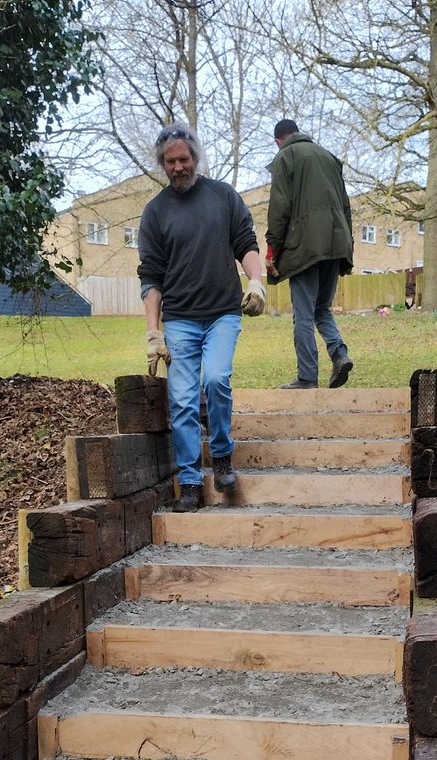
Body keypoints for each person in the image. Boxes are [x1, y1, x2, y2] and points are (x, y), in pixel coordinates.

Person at [138, 123, 266, 513]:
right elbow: (151, 276)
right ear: (162, 164)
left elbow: (245, 243)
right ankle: (190, 482)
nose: (178, 166)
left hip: (223, 314)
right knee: (181, 400)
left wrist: (257, 282)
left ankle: (223, 457)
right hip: (179, 320)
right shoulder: (155, 212)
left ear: (196, 157)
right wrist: (152, 332)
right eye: (170, 161)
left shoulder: (223, 196)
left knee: (215, 379)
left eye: (184, 158)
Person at [265, 119, 354, 390]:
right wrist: (348, 250)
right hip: (336, 244)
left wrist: (272, 250)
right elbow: (346, 205)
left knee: (303, 315)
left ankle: (307, 377)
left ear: (279, 140)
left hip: (305, 246)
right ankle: (339, 353)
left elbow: (280, 206)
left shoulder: (286, 157)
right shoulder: (329, 157)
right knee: (321, 309)